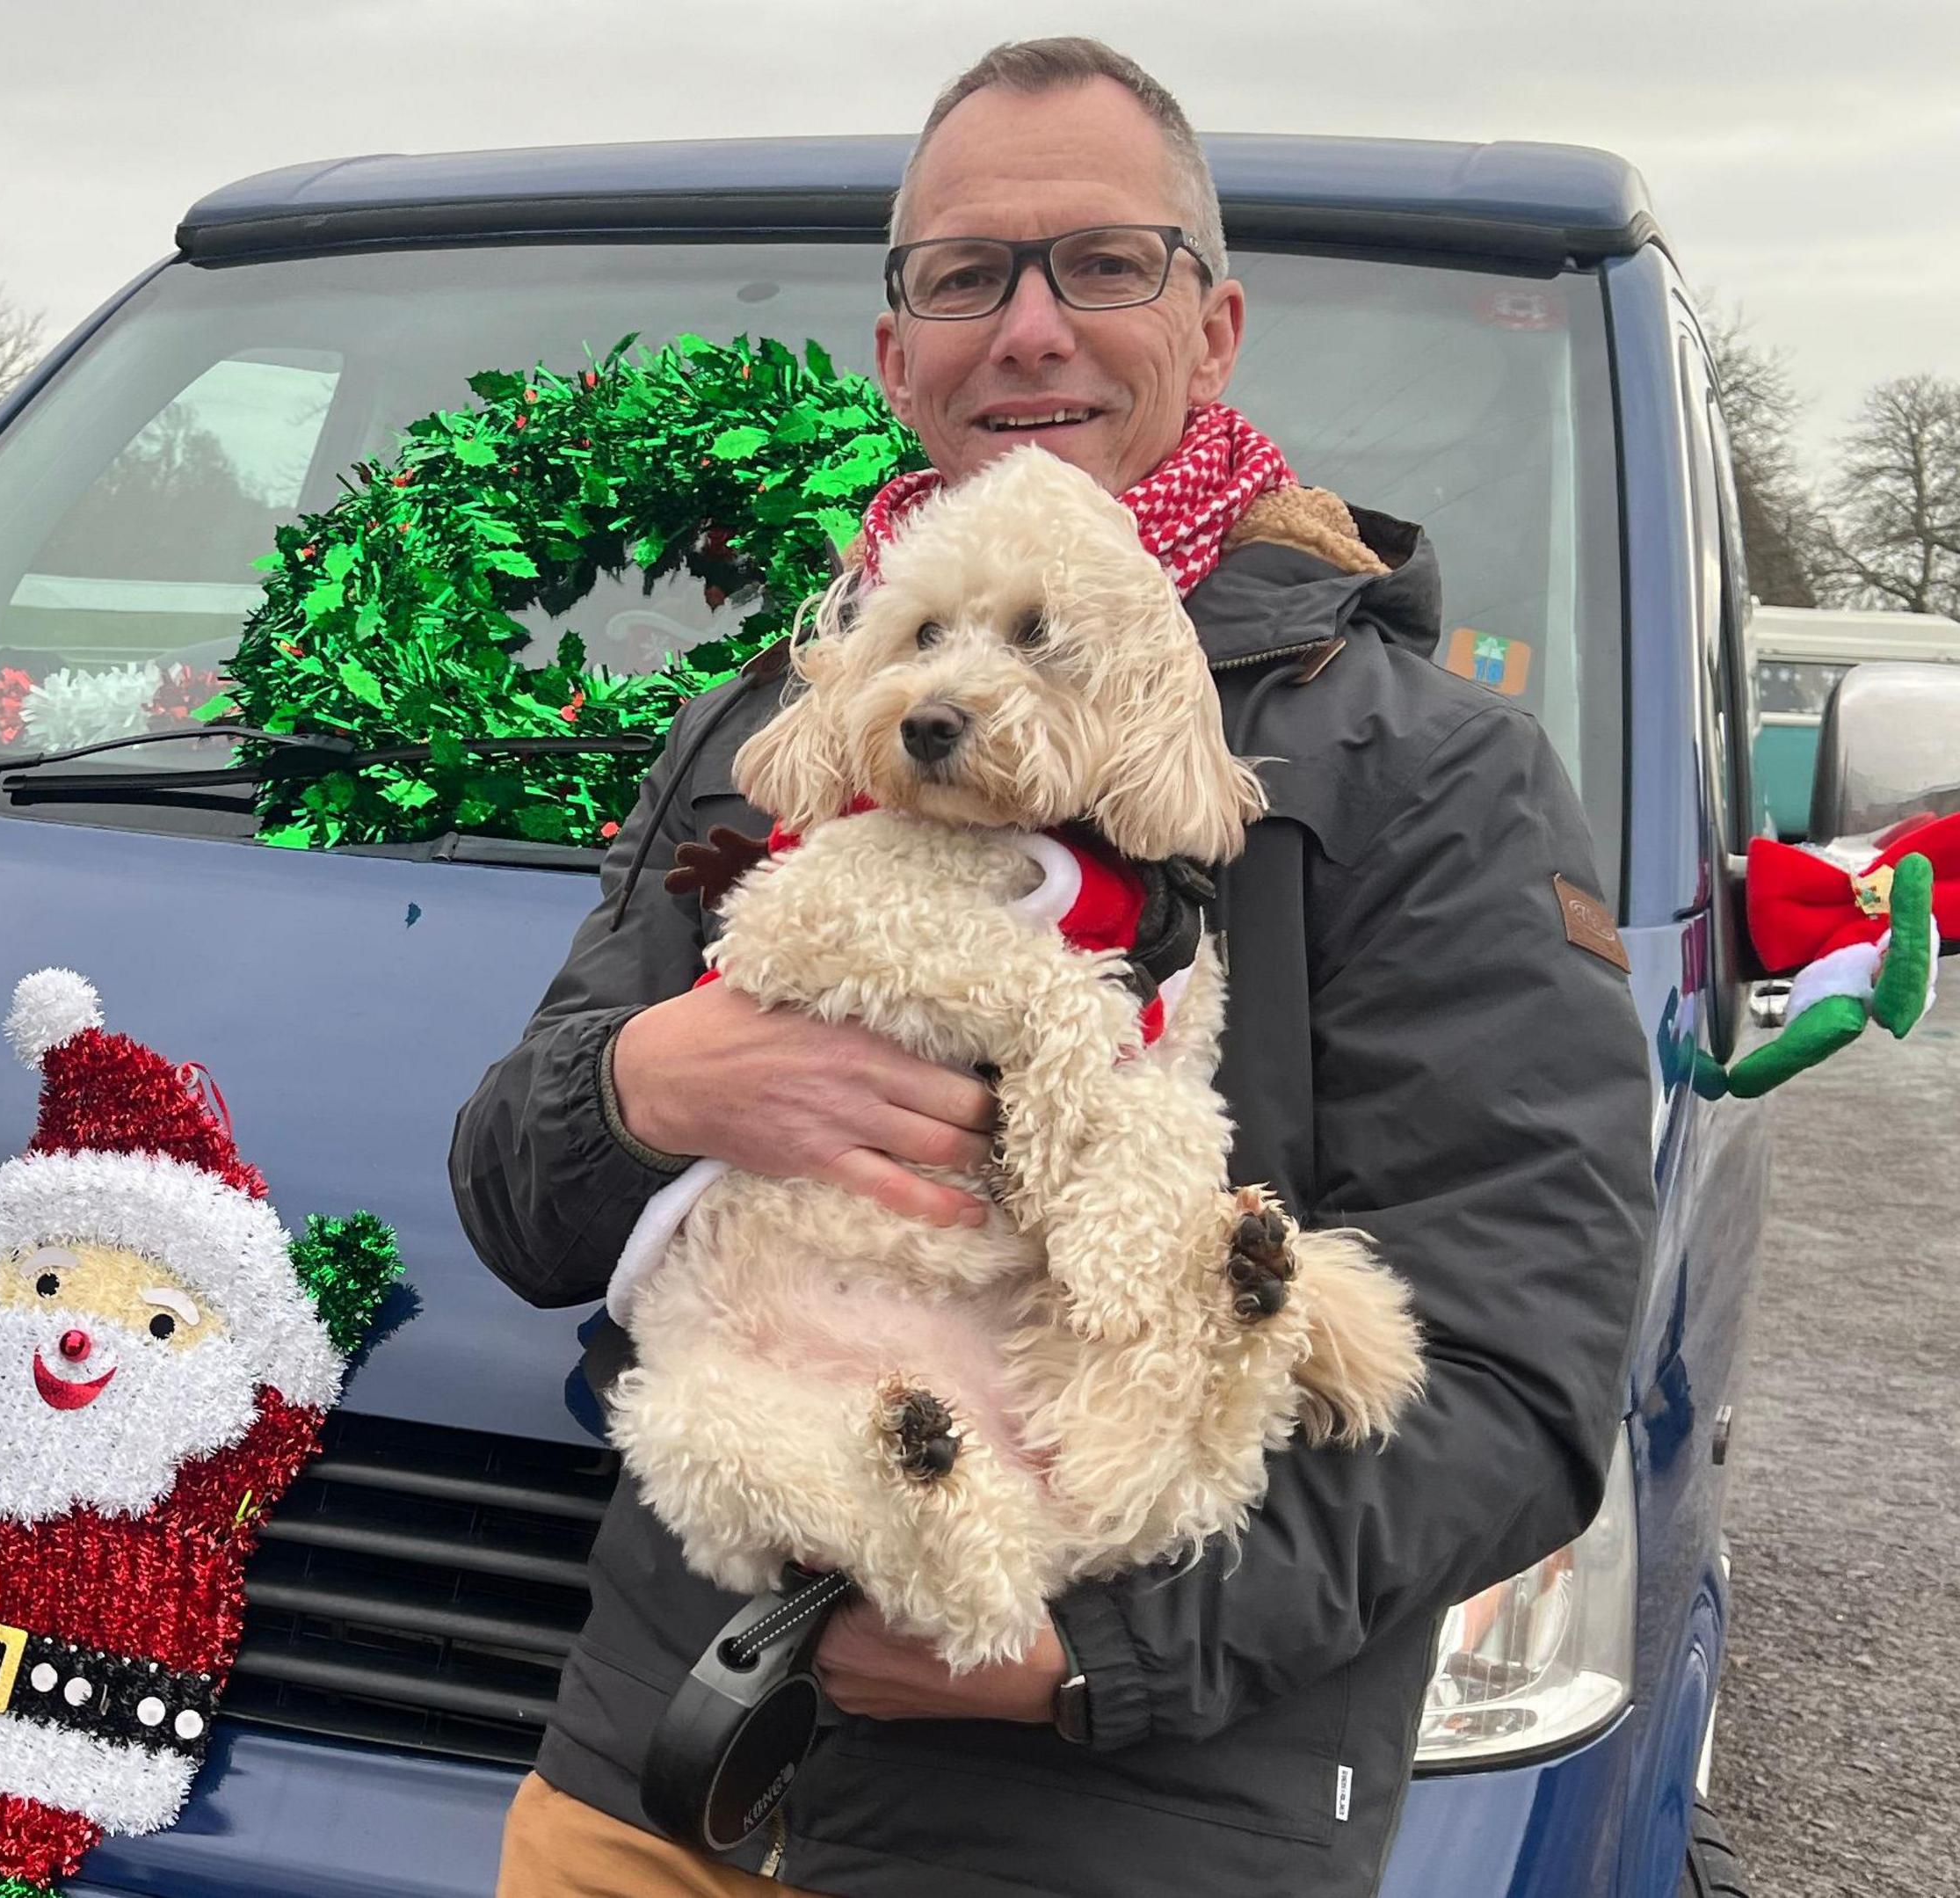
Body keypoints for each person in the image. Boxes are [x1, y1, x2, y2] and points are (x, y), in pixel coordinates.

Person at [448, 39, 1657, 1898]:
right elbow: (516, 1207)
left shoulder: (1428, 775)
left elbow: (1514, 1376)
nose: (1029, 330)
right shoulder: (785, 721)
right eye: (965, 277)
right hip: (658, 1765)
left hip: (1117, 1830)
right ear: (896, 354)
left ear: (1214, 321)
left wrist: (1083, 1656)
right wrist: (639, 1089)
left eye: (1104, 262)